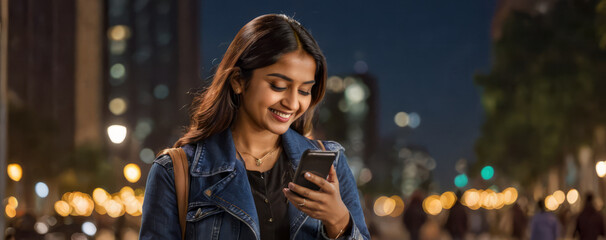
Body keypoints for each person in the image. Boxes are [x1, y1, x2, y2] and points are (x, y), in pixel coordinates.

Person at [139, 14, 370, 240]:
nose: (292, 103)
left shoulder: (332, 164)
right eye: (278, 85)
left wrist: (339, 221)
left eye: (304, 91)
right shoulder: (175, 171)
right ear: (238, 81)